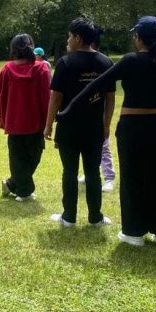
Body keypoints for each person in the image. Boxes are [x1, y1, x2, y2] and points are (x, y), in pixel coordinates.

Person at [59, 16, 156, 247]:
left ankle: (133, 232)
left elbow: (96, 85)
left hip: (134, 127)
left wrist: (70, 108)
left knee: (133, 178)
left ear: (138, 37)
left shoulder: (131, 60)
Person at [44, 18, 115, 227]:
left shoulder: (66, 63)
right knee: (93, 172)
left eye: (69, 36)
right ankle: (95, 218)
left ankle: (69, 217)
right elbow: (110, 98)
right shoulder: (105, 62)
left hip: (69, 127)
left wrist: (48, 124)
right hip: (94, 127)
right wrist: (106, 124)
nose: (68, 40)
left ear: (78, 37)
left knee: (70, 171)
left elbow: (56, 98)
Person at [0, 33, 51, 201]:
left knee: (18, 157)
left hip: (15, 121)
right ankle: (24, 191)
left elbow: (0, 98)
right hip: (35, 122)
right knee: (32, 156)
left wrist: (3, 118)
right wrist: (48, 120)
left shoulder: (7, 70)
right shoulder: (41, 69)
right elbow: (46, 97)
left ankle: (13, 184)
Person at [77, 26, 116, 192]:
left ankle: (109, 177)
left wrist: (106, 123)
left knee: (103, 146)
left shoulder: (103, 63)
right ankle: (88, 172)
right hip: (82, 113)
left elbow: (110, 95)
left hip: (98, 113)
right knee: (85, 146)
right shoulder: (76, 62)